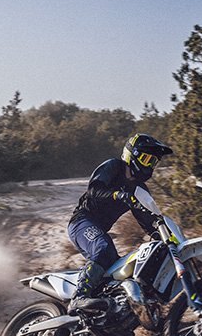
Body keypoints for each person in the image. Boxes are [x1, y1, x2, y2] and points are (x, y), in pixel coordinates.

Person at [67, 133, 173, 314]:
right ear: (133, 155)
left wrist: (162, 237)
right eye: (146, 159)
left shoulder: (138, 188)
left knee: (119, 270)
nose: (149, 166)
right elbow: (94, 190)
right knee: (103, 247)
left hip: (99, 229)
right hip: (81, 221)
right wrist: (118, 194)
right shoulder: (114, 166)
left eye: (153, 162)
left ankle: (106, 312)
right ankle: (79, 296)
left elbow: (147, 219)